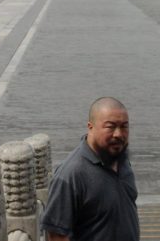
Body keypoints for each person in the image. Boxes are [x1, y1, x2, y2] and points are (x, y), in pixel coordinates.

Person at [41, 97, 139, 241]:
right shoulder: (71, 174)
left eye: (124, 126)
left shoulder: (121, 159)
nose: (118, 134)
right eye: (110, 126)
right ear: (90, 127)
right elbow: (56, 235)